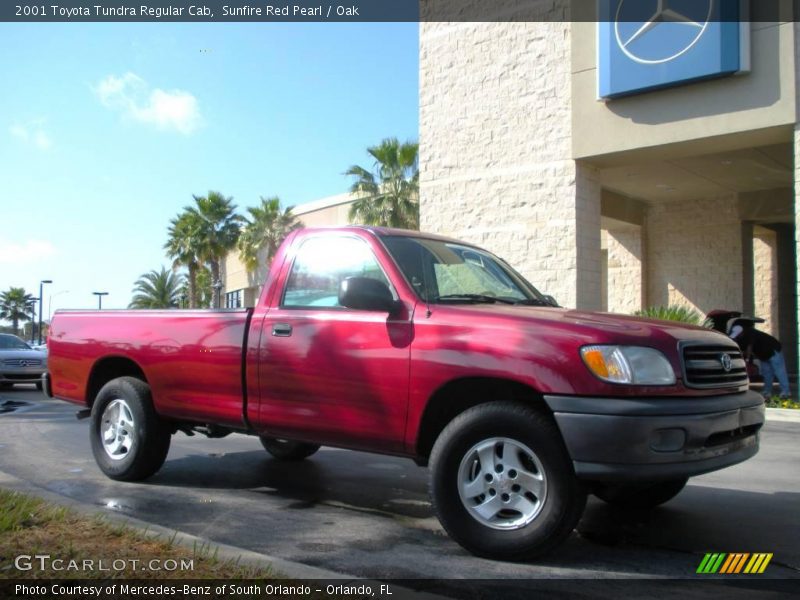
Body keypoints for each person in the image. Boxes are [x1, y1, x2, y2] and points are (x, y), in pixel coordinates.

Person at [729, 324, 792, 400]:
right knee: (766, 373)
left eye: (737, 335)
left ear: (741, 332)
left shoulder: (750, 332)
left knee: (779, 371)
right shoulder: (740, 338)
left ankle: (786, 392)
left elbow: (749, 347)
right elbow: (743, 350)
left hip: (773, 351)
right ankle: (767, 392)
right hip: (763, 355)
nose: (736, 337)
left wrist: (747, 360)